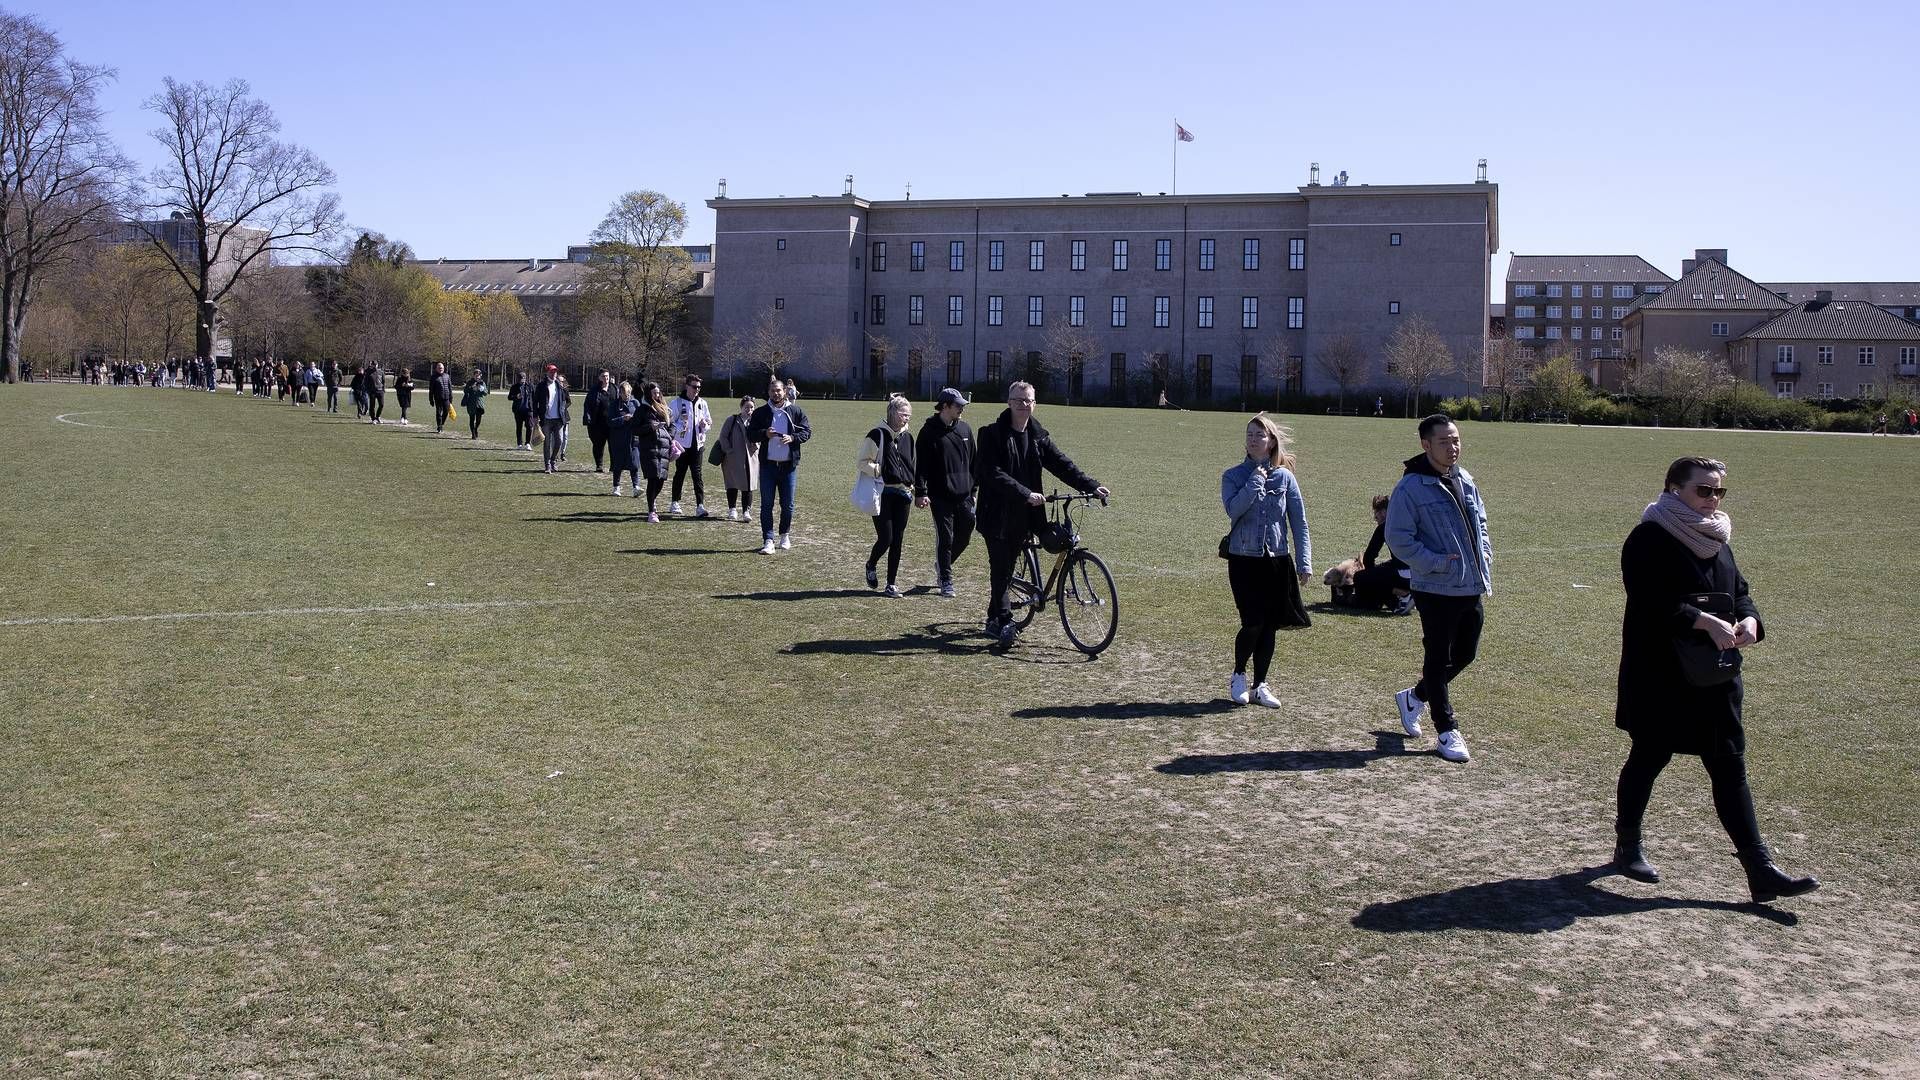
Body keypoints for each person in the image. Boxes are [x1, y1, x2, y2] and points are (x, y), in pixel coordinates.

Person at [1611, 456, 1819, 904]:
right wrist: (1703, 621)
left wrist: (1751, 622)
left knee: (1729, 767)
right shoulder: (1650, 537)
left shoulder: (1716, 537)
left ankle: (1760, 870)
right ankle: (1627, 847)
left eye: (1718, 491)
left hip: (1716, 676)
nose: (1713, 499)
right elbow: (1649, 602)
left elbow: (1739, 591)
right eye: (1703, 490)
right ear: (1672, 489)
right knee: (1649, 757)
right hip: (1661, 675)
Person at [1384, 415, 1492, 763]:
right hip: (1435, 588)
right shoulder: (1410, 488)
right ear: (1425, 445)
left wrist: (1485, 553)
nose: (1453, 447)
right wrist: (1435, 562)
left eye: (1456, 439)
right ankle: (1447, 730)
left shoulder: (1465, 479)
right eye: (1444, 441)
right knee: (1437, 656)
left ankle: (1414, 697)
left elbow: (1481, 524)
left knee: (1465, 654)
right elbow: (1398, 539)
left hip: (1470, 584)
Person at [976, 381, 1110, 646]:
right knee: (1001, 568)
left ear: (1035, 404)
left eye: (1029, 401)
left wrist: (1091, 486)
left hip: (1028, 514)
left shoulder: (1038, 436)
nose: (1024, 406)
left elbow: (1062, 464)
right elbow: (991, 473)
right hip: (998, 515)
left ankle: (995, 614)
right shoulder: (991, 434)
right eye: (1019, 400)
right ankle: (1002, 623)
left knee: (1029, 553)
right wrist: (1024, 492)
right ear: (1009, 402)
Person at [1220, 415, 1312, 707]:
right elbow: (1234, 510)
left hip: (1277, 560)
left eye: (1259, 435)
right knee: (1252, 622)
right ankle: (1238, 675)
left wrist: (1304, 561)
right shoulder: (1233, 476)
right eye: (1249, 434)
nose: (1252, 439)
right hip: (1243, 559)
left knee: (1269, 625)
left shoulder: (1285, 477)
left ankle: (1260, 684)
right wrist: (1254, 481)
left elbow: (1299, 522)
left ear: (1271, 441)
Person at [915, 387, 976, 599]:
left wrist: (973, 490)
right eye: (958, 405)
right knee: (946, 538)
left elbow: (973, 463)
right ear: (945, 406)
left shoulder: (965, 430)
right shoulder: (928, 432)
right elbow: (921, 467)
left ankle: (942, 565)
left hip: (965, 496)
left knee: (966, 535)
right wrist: (921, 492)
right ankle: (946, 580)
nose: (962, 409)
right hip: (940, 496)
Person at [860, 395, 918, 598]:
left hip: (903, 493)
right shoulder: (876, 434)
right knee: (886, 537)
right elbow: (862, 462)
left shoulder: (908, 437)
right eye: (903, 414)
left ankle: (891, 584)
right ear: (892, 413)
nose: (906, 419)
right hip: (883, 492)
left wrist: (916, 488)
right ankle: (871, 564)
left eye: (909, 415)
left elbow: (912, 464)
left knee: (898, 540)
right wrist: (880, 470)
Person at [747, 380, 812, 554]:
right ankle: (768, 540)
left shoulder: (795, 411)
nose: (776, 393)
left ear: (785, 391)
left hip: (788, 467)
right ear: (768, 392)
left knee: (788, 505)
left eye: (779, 390)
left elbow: (806, 432)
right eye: (772, 391)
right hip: (768, 467)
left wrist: (793, 438)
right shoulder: (761, 413)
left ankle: (785, 535)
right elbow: (751, 434)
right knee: (766, 505)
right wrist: (764, 434)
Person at [1353, 495, 1414, 614]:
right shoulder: (1409, 520)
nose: (1375, 518)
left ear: (1384, 512)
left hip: (1405, 576)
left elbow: (1369, 558)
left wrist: (1371, 577)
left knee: (1360, 577)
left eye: (1376, 514)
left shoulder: (1384, 527)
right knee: (1382, 569)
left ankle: (1401, 598)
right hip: (1422, 572)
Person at [667, 374, 714, 518]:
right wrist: (681, 427)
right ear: (687, 386)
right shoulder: (676, 403)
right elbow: (669, 422)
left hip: (698, 446)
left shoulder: (702, 403)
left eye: (699, 387)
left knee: (697, 475)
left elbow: (709, 421)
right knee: (680, 474)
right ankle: (675, 502)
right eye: (694, 387)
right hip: (682, 446)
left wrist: (704, 425)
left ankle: (700, 506)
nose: (697, 390)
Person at [714, 395, 759, 520]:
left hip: (751, 459)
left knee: (748, 485)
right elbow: (723, 437)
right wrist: (729, 451)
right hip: (732, 458)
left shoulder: (755, 422)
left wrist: (756, 446)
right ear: (741, 407)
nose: (749, 410)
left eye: (751, 407)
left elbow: (761, 438)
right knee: (732, 483)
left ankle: (746, 511)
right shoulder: (732, 420)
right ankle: (732, 509)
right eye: (746, 407)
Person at [634, 381, 673, 521]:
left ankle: (652, 501)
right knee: (653, 478)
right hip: (649, 448)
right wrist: (651, 428)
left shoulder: (664, 409)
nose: (657, 395)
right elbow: (635, 429)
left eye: (658, 392)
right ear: (648, 394)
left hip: (664, 449)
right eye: (654, 393)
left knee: (661, 480)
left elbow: (671, 426)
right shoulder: (642, 409)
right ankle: (651, 512)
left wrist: (671, 436)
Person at [605, 381, 641, 497]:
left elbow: (641, 418)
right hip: (618, 439)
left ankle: (636, 487)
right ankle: (616, 487)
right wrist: (622, 419)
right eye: (625, 393)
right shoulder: (614, 405)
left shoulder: (635, 403)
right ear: (620, 393)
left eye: (629, 393)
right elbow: (610, 422)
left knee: (634, 464)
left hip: (633, 439)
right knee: (617, 464)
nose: (627, 396)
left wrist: (634, 419)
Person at [533, 363, 570, 473]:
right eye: (551, 372)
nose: (554, 374)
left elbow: (566, 399)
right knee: (547, 442)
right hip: (546, 419)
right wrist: (535, 416)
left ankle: (553, 460)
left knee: (559, 441)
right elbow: (535, 402)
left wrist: (562, 409)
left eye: (555, 372)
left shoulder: (559, 385)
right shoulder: (541, 386)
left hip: (558, 419)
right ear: (547, 373)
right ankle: (547, 465)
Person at [582, 369, 614, 472]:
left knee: (613, 445)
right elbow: (587, 405)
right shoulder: (594, 390)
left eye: (607, 376)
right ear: (599, 378)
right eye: (604, 376)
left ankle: (614, 466)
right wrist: (588, 418)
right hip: (598, 424)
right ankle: (599, 465)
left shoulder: (614, 389)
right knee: (598, 445)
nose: (606, 378)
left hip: (612, 423)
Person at [508, 369, 534, 450]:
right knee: (519, 427)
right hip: (518, 410)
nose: (522, 379)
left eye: (523, 378)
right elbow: (509, 397)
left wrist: (534, 408)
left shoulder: (530, 386)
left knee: (529, 426)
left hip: (528, 410)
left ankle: (527, 443)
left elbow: (533, 397)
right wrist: (516, 397)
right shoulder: (514, 387)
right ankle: (519, 444)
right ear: (517, 379)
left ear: (526, 378)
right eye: (520, 378)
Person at [460, 371, 488, 439]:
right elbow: (465, 391)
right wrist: (472, 387)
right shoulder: (470, 382)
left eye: (478, 375)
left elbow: (486, 393)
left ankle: (475, 429)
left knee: (478, 420)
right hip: (471, 403)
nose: (477, 376)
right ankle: (473, 434)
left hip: (479, 403)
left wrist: (482, 389)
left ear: (480, 375)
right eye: (476, 375)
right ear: (473, 375)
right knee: (472, 419)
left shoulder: (482, 383)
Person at [427, 362, 452, 431]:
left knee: (446, 412)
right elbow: (431, 389)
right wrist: (431, 399)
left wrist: (451, 398)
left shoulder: (447, 376)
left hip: (446, 398)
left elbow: (450, 388)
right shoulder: (433, 377)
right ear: (436, 369)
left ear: (444, 369)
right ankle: (439, 426)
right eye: (439, 368)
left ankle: (441, 424)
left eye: (442, 368)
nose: (441, 369)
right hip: (438, 398)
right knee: (438, 412)